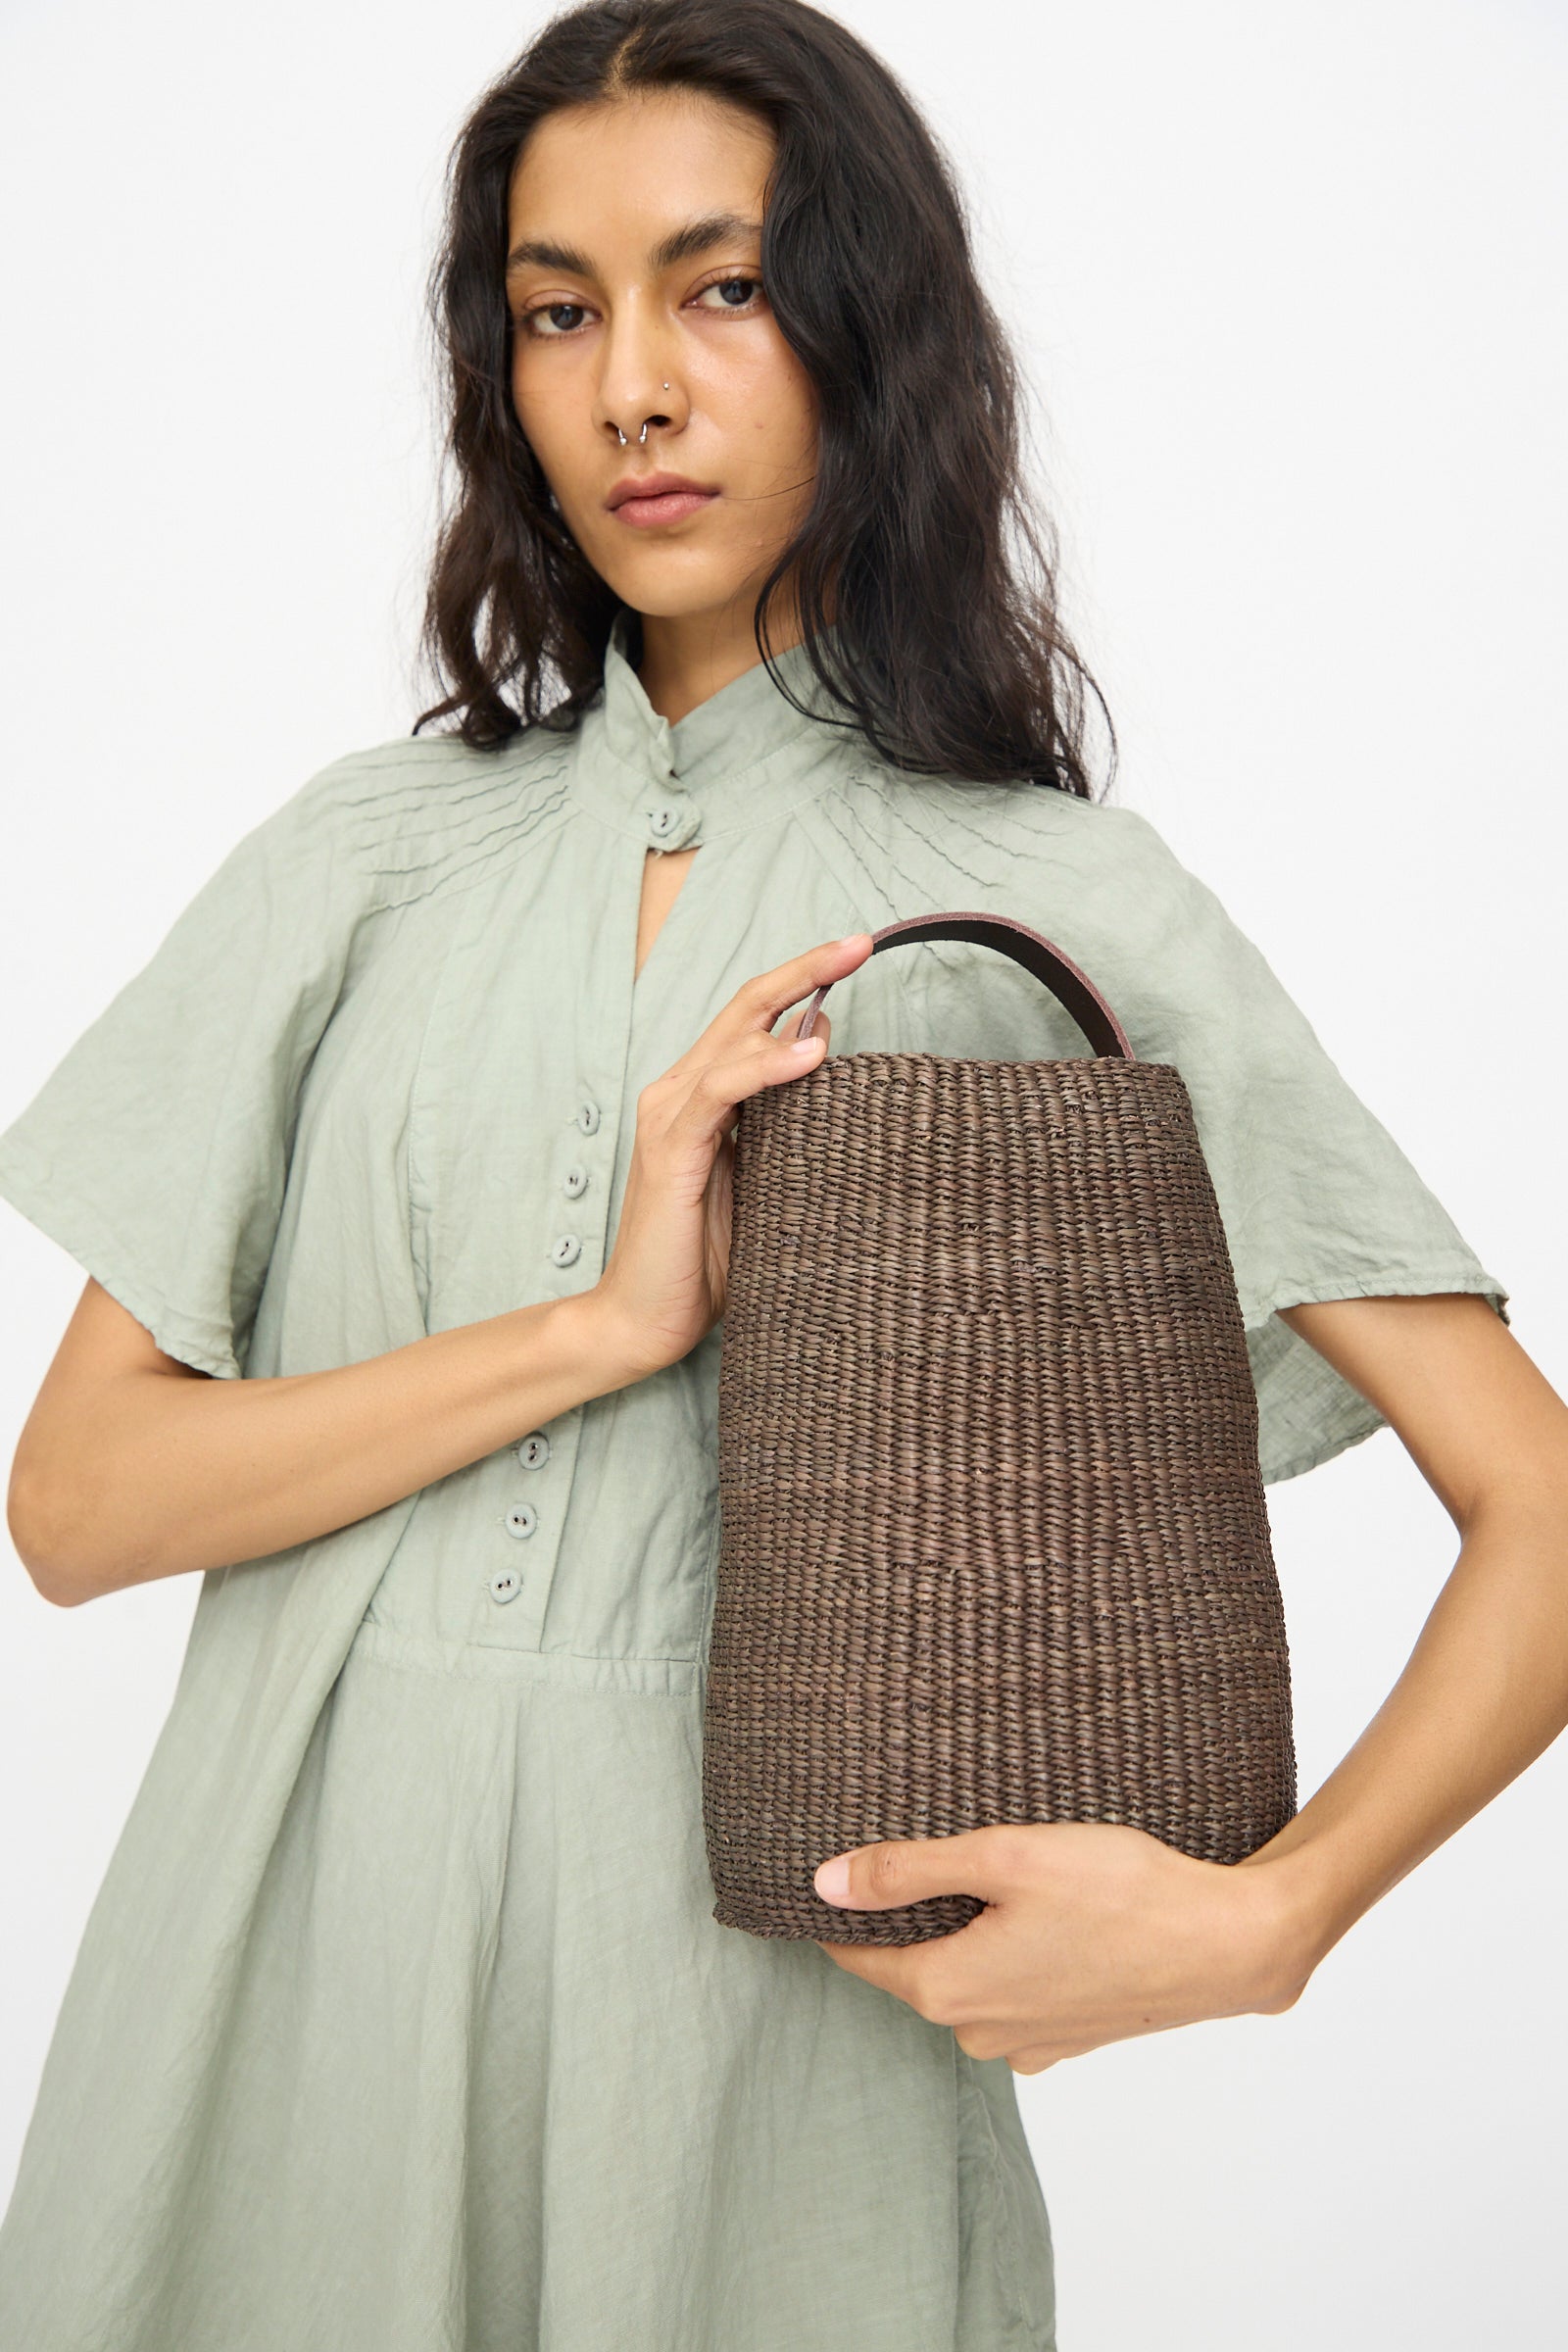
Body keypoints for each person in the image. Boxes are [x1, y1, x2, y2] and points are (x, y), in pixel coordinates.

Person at [0, 1, 1563, 2345]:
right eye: (557, 312)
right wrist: (597, 1331)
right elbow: (77, 1507)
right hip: (285, 1997)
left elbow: (1535, 1501)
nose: (631, 387)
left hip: (763, 2056)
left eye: (717, 289)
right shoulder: (362, 861)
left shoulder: (1053, 914)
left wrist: (1274, 1920)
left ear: (868, 329)